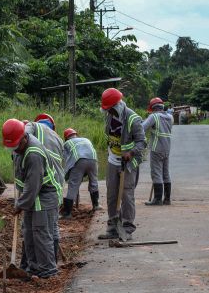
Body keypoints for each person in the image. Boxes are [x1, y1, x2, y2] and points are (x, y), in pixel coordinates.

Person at [3, 118, 63, 279]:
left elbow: (33, 186)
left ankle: (48, 272)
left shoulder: (34, 154)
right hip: (32, 195)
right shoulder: (21, 142)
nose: (15, 150)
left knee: (41, 233)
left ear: (24, 138)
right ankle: (33, 268)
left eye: (16, 146)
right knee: (28, 232)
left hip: (44, 196)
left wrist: (20, 204)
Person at [98, 87, 145, 241]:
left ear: (117, 105)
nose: (108, 112)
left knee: (126, 194)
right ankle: (112, 227)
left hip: (128, 162)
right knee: (112, 194)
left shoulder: (133, 118)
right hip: (113, 160)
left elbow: (142, 142)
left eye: (110, 109)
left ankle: (127, 228)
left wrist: (131, 153)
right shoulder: (110, 116)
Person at [24, 114, 65, 259]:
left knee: (38, 227)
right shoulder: (58, 139)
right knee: (53, 225)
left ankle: (37, 261)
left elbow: (24, 134)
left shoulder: (33, 128)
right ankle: (53, 260)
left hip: (44, 186)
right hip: (57, 185)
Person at [60, 127, 99, 217]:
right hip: (93, 160)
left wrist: (70, 175)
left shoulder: (67, 143)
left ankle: (67, 213)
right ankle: (96, 205)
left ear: (66, 138)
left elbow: (66, 159)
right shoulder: (86, 139)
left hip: (79, 160)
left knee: (73, 185)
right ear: (76, 135)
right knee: (94, 182)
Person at [142, 97, 174, 205]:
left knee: (156, 173)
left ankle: (157, 199)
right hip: (167, 149)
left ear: (153, 108)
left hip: (156, 148)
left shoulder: (154, 116)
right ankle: (167, 199)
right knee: (165, 173)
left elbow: (142, 128)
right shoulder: (170, 117)